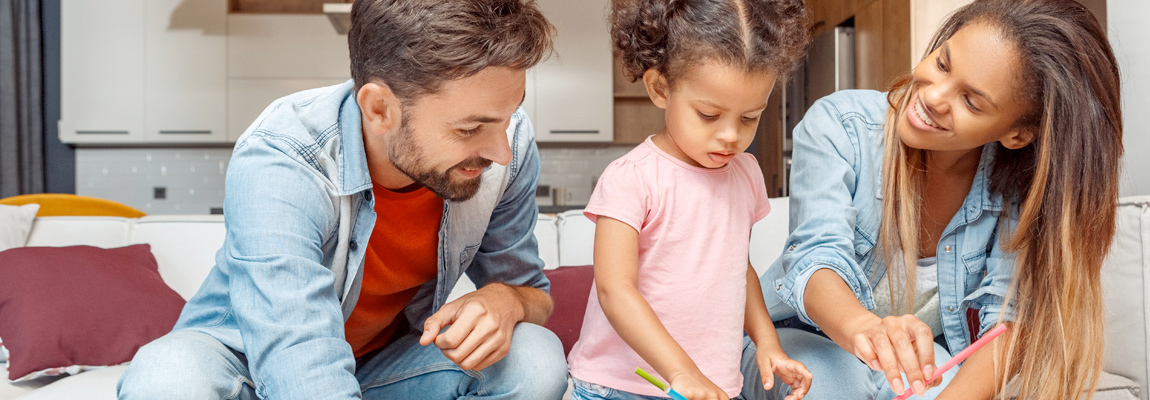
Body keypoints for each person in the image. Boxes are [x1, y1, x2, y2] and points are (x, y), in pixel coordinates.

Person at [116, 1, 570, 399]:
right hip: (248, 362)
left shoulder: (508, 145)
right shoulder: (282, 156)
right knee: (167, 377)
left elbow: (534, 296)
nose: (501, 151)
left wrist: (505, 299)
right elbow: (295, 349)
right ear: (379, 109)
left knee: (532, 357)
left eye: (506, 119)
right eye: (469, 130)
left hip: (384, 368)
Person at [749, 0, 1123, 399]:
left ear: (1017, 134)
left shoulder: (1019, 191)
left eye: (971, 101)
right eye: (943, 64)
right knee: (836, 386)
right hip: (795, 339)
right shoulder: (842, 126)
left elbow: (1005, 323)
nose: (933, 97)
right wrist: (867, 329)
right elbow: (816, 259)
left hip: (917, 362)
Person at [565, 1, 812, 399]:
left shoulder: (745, 174)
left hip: (712, 386)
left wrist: (767, 342)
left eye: (749, 117)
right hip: (619, 386)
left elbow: (737, 268)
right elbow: (615, 290)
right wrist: (682, 372)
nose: (731, 135)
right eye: (710, 115)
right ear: (661, 88)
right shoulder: (633, 178)